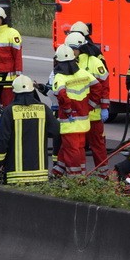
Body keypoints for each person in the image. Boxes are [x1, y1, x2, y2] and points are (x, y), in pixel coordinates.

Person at [0, 75, 60, 184]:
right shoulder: (43, 109)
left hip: (15, 175)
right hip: (40, 174)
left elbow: (2, 140)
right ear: (32, 91)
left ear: (14, 92)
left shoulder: (9, 111)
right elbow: (57, 131)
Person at [65, 31, 109, 167]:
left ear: (79, 48)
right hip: (78, 115)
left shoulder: (95, 62)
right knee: (77, 147)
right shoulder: (69, 63)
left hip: (94, 115)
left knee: (98, 146)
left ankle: (103, 176)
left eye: (73, 49)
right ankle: (80, 176)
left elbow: (105, 86)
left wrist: (104, 108)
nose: (71, 52)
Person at [51, 44, 94, 177]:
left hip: (69, 123)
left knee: (71, 150)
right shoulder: (83, 72)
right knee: (78, 149)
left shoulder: (60, 77)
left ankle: (74, 179)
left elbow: (61, 95)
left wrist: (68, 110)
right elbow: (98, 87)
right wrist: (90, 105)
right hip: (83, 121)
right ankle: (61, 172)